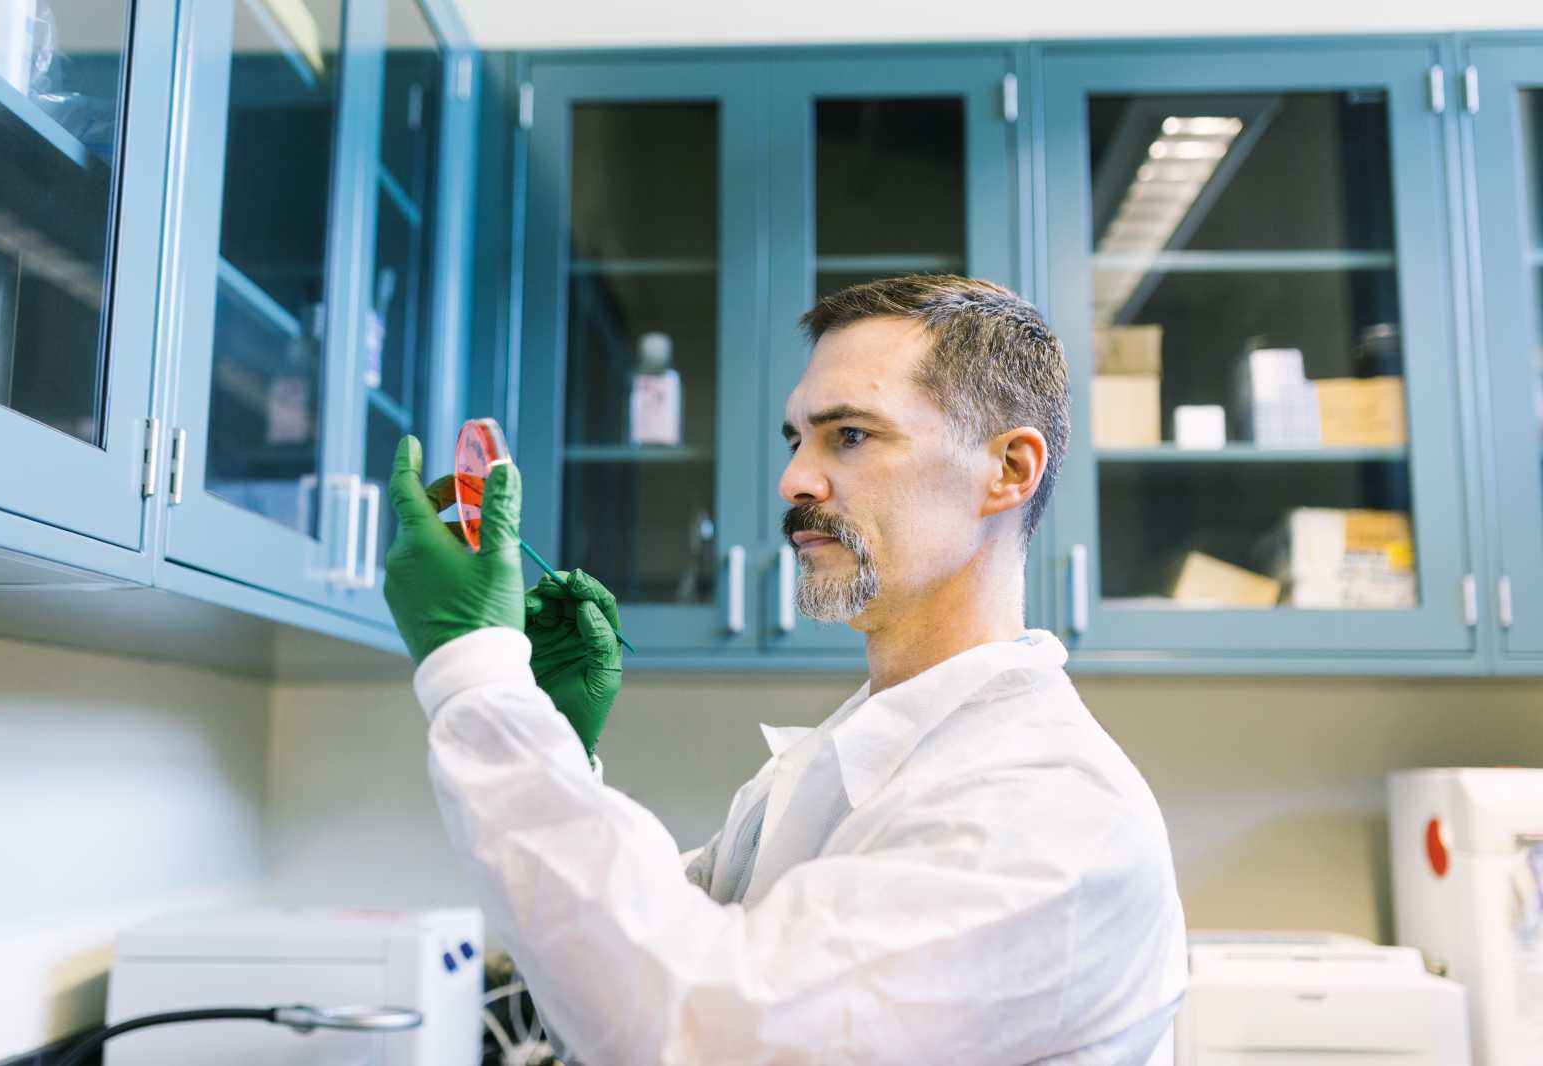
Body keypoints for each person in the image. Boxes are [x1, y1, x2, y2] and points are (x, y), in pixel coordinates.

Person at [384, 275, 1186, 1065]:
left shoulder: (1050, 811)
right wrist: (558, 751)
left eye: (852, 436)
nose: (793, 480)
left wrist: (475, 676)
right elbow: (614, 991)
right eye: (797, 439)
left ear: (1008, 469)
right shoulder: (845, 761)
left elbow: (691, 1033)